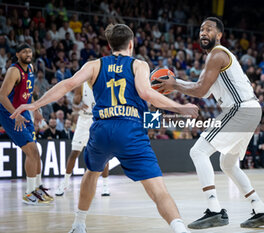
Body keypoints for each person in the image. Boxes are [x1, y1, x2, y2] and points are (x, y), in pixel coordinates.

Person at [11, 24, 198, 233]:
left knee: (91, 172)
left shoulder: (94, 65)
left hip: (101, 128)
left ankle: (79, 224)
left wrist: (35, 105)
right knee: (157, 189)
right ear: (131, 44)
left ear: (109, 45)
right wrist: (180, 107)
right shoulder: (139, 65)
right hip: (129, 129)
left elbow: (67, 84)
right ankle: (179, 228)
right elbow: (146, 94)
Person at [157, 17, 264, 229]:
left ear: (219, 35)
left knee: (198, 151)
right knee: (227, 163)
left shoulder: (217, 54)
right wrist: (176, 84)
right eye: (201, 29)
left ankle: (214, 210)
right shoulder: (214, 60)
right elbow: (199, 86)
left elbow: (200, 90)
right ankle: (260, 209)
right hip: (249, 110)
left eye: (209, 29)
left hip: (240, 109)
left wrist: (175, 85)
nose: (203, 32)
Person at [0, 43, 53, 205]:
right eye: (24, 51)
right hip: (10, 114)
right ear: (17, 54)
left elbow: (27, 95)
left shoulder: (30, 68)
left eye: (29, 51)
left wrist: (35, 110)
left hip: (23, 112)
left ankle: (37, 188)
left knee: (36, 152)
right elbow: (2, 96)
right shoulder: (13, 71)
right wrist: (15, 114)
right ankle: (29, 193)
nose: (28, 53)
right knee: (31, 151)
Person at [55, 82, 114, 197]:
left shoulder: (104, 82)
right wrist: (78, 105)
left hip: (98, 120)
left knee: (104, 154)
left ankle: (105, 185)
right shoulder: (82, 84)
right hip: (84, 120)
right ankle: (65, 183)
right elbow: (74, 105)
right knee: (74, 153)